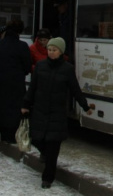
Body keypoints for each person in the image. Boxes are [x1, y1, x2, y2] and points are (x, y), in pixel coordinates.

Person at [21, 37, 93, 189]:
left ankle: (47, 178)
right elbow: (33, 87)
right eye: (49, 49)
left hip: (57, 112)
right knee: (37, 139)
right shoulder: (40, 66)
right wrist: (25, 104)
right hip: (40, 110)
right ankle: (45, 154)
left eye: (54, 50)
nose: (51, 52)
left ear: (61, 52)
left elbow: (75, 90)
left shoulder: (67, 69)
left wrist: (85, 106)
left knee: (53, 147)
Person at [0, 19, 31, 144]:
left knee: (2, 106)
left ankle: (4, 133)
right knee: (15, 107)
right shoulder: (22, 46)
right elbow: (27, 67)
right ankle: (13, 134)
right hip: (17, 81)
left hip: (1, 81)